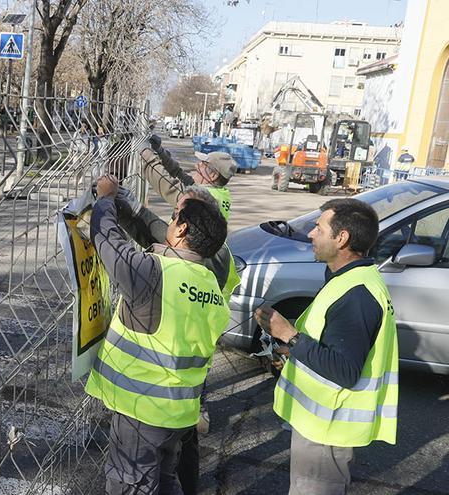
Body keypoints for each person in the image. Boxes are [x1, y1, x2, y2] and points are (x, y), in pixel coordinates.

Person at [85, 174, 230, 494]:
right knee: (165, 480)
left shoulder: (155, 273)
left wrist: (106, 199)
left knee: (131, 485)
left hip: (141, 412)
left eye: (174, 217)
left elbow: (106, 240)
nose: (170, 221)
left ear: (181, 230)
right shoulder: (211, 286)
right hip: (178, 414)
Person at [255, 198, 398, 495]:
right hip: (322, 426)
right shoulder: (350, 279)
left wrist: (289, 335)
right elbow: (331, 343)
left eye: (319, 228)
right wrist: (289, 351)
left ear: (341, 238)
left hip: (329, 431)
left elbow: (344, 370)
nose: (310, 234)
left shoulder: (357, 293)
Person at [142, 134, 236, 221]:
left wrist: (145, 154)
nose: (196, 165)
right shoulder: (216, 192)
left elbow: (168, 186)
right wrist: (160, 151)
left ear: (213, 175)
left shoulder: (203, 199)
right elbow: (179, 173)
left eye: (203, 164)